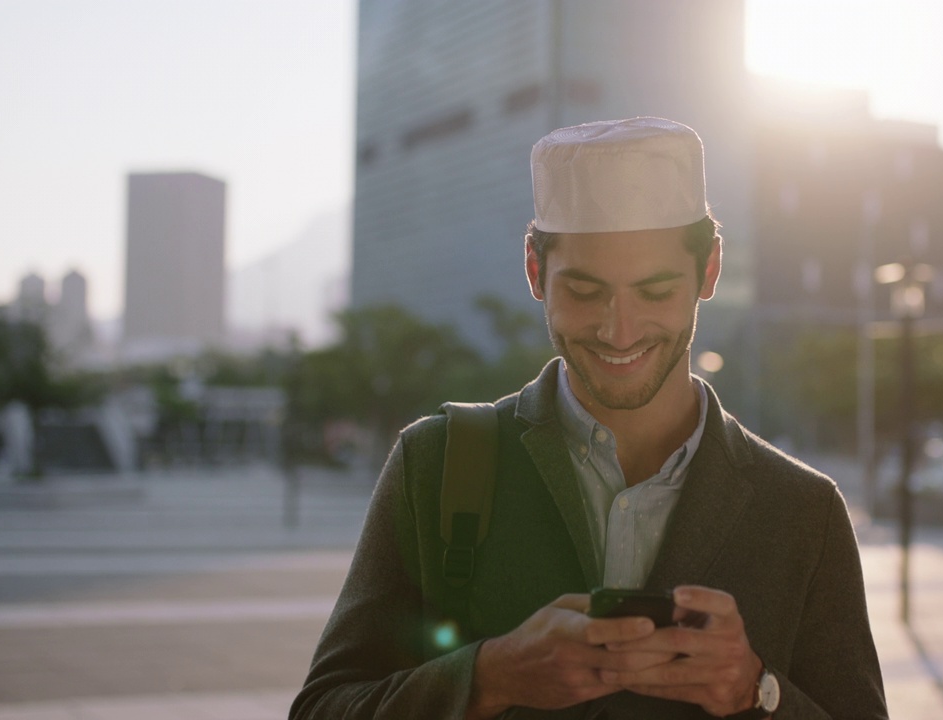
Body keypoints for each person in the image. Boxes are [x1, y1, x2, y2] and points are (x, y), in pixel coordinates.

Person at [290, 117, 888, 719]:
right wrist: (488, 677)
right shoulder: (440, 464)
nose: (618, 330)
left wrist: (757, 690)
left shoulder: (803, 511)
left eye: (654, 292)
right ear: (534, 272)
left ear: (708, 271)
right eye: (584, 290)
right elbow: (322, 709)